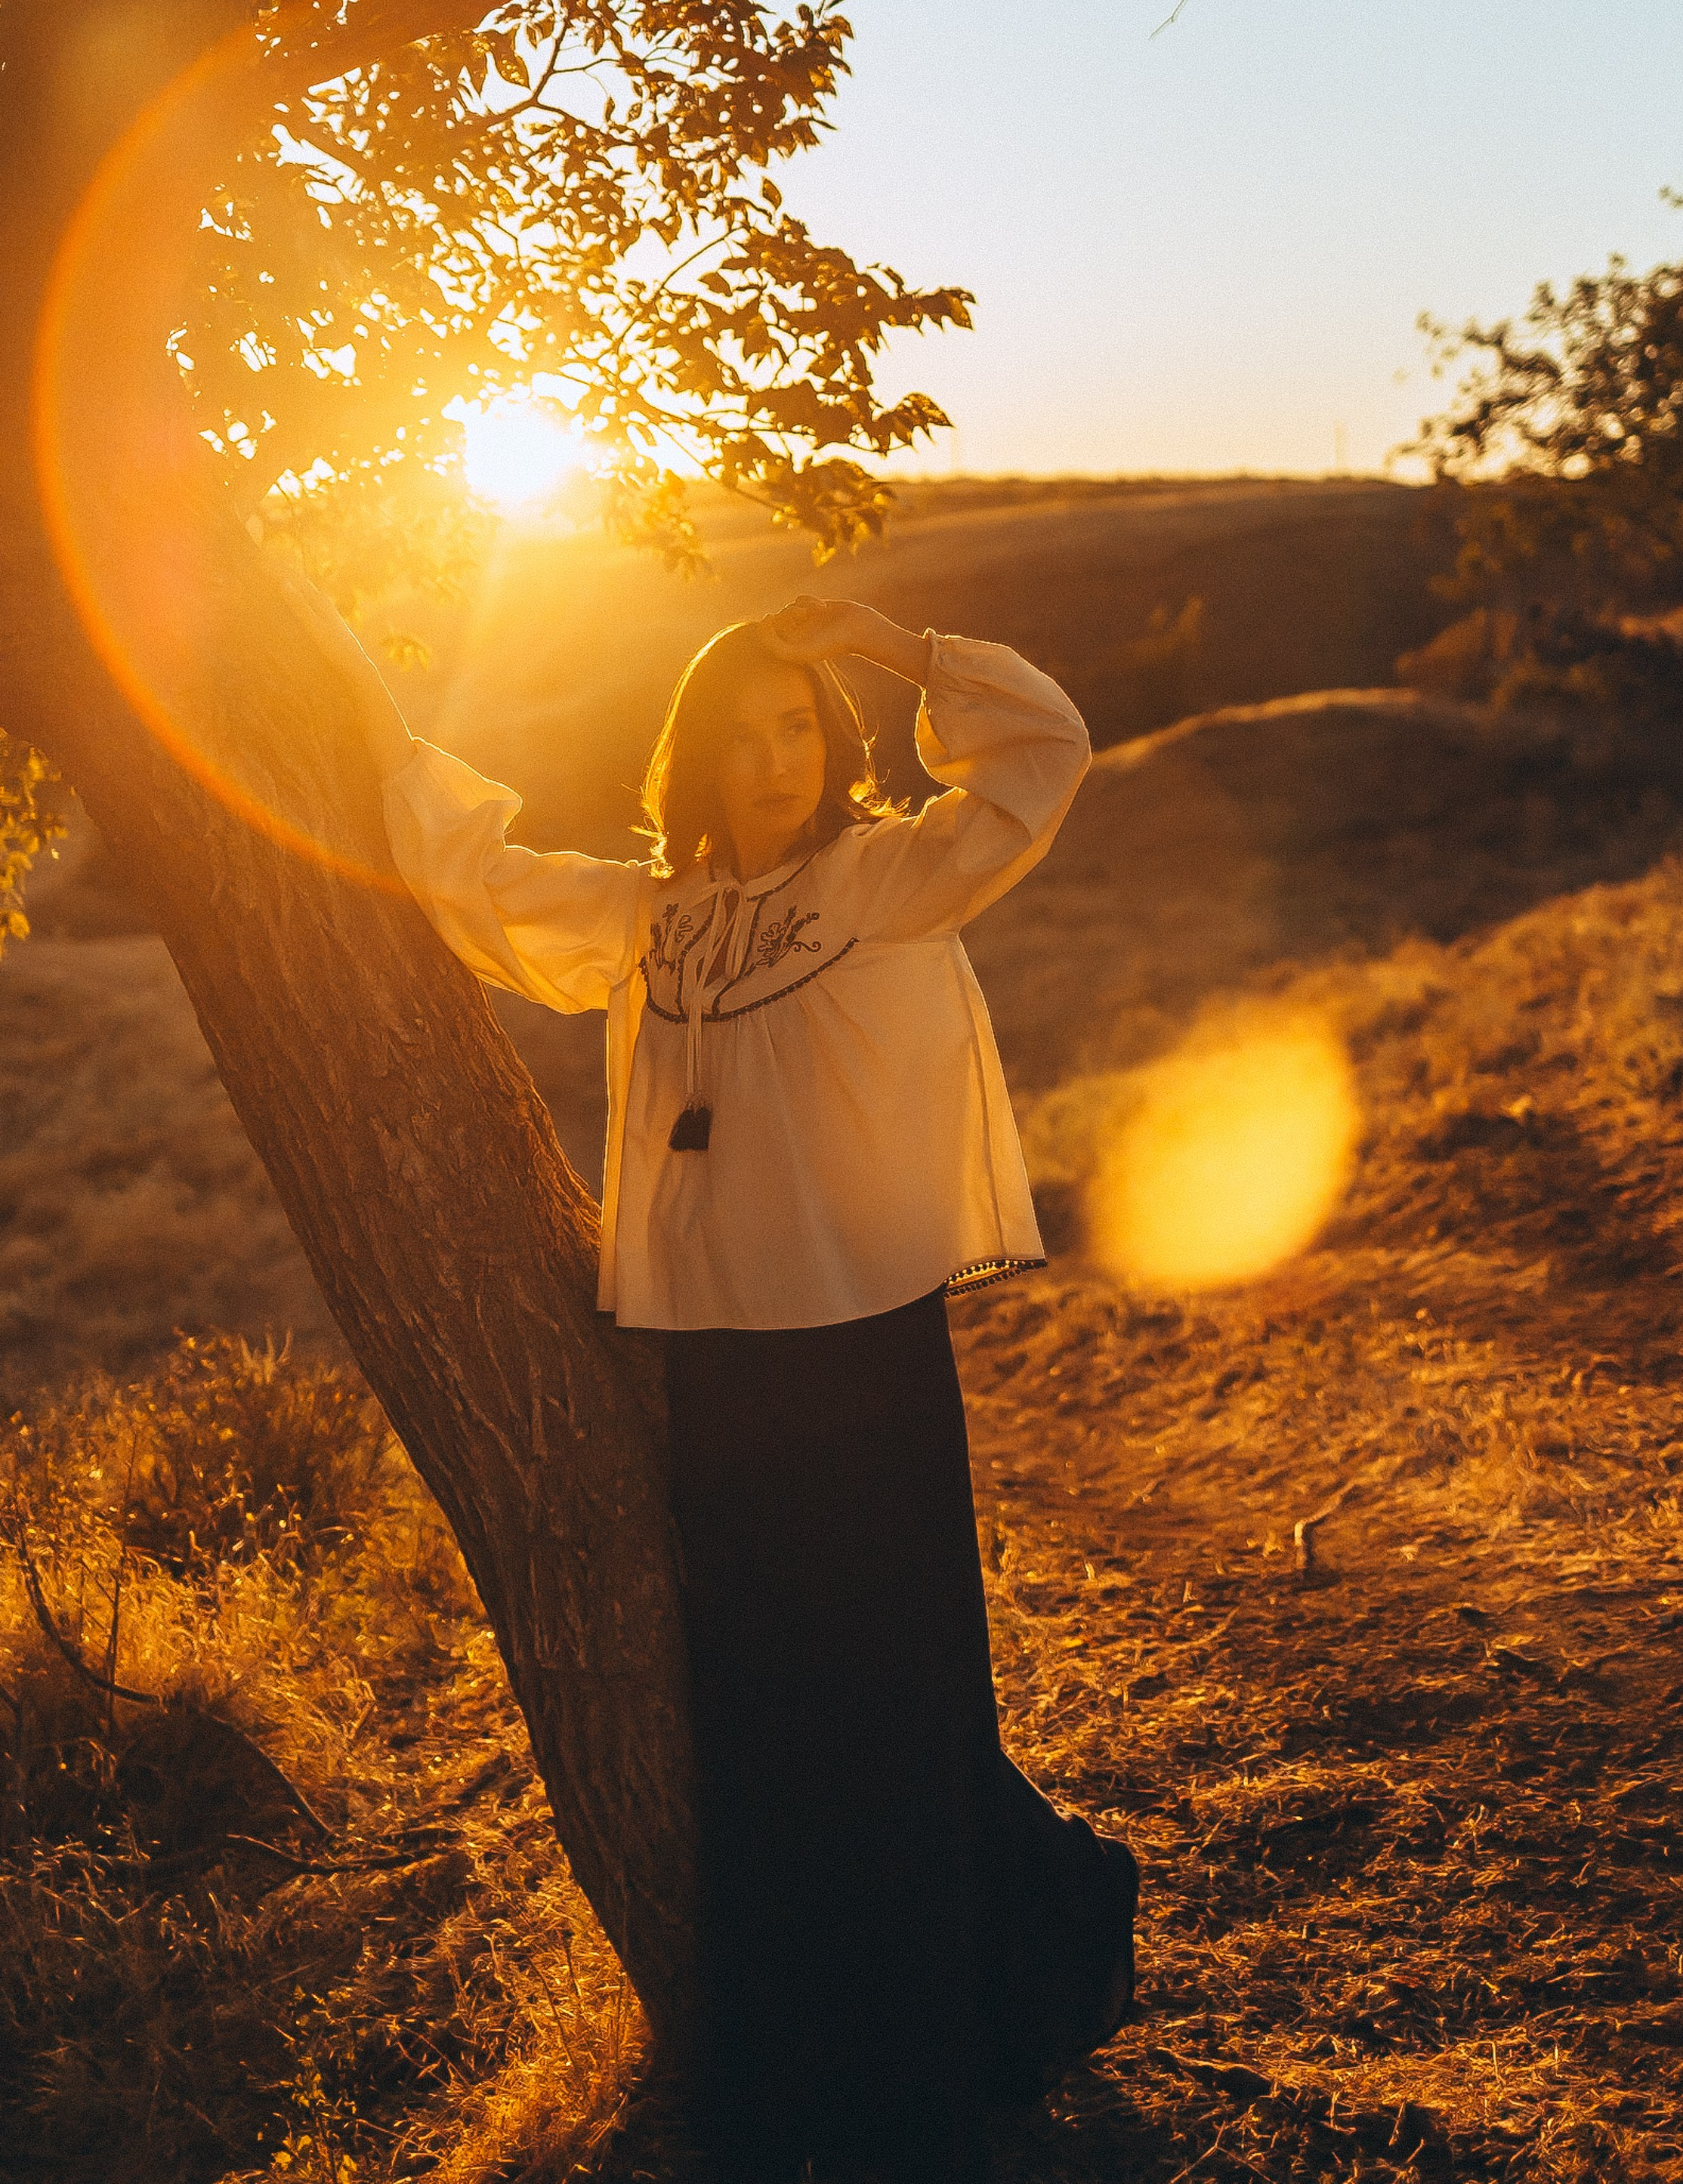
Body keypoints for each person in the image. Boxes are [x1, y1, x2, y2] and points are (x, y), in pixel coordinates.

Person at [283, 578, 1137, 2182]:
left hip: (869, 1356)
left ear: (832, 743)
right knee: (771, 1725)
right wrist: (342, 695)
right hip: (717, 1380)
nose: (776, 761)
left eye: (797, 729)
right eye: (740, 737)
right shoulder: (648, 918)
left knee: (906, 1708)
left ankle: (971, 2023)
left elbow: (1044, 752)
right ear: (690, 759)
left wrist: (896, 646)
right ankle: (820, 2058)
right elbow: (471, 878)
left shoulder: (891, 877)